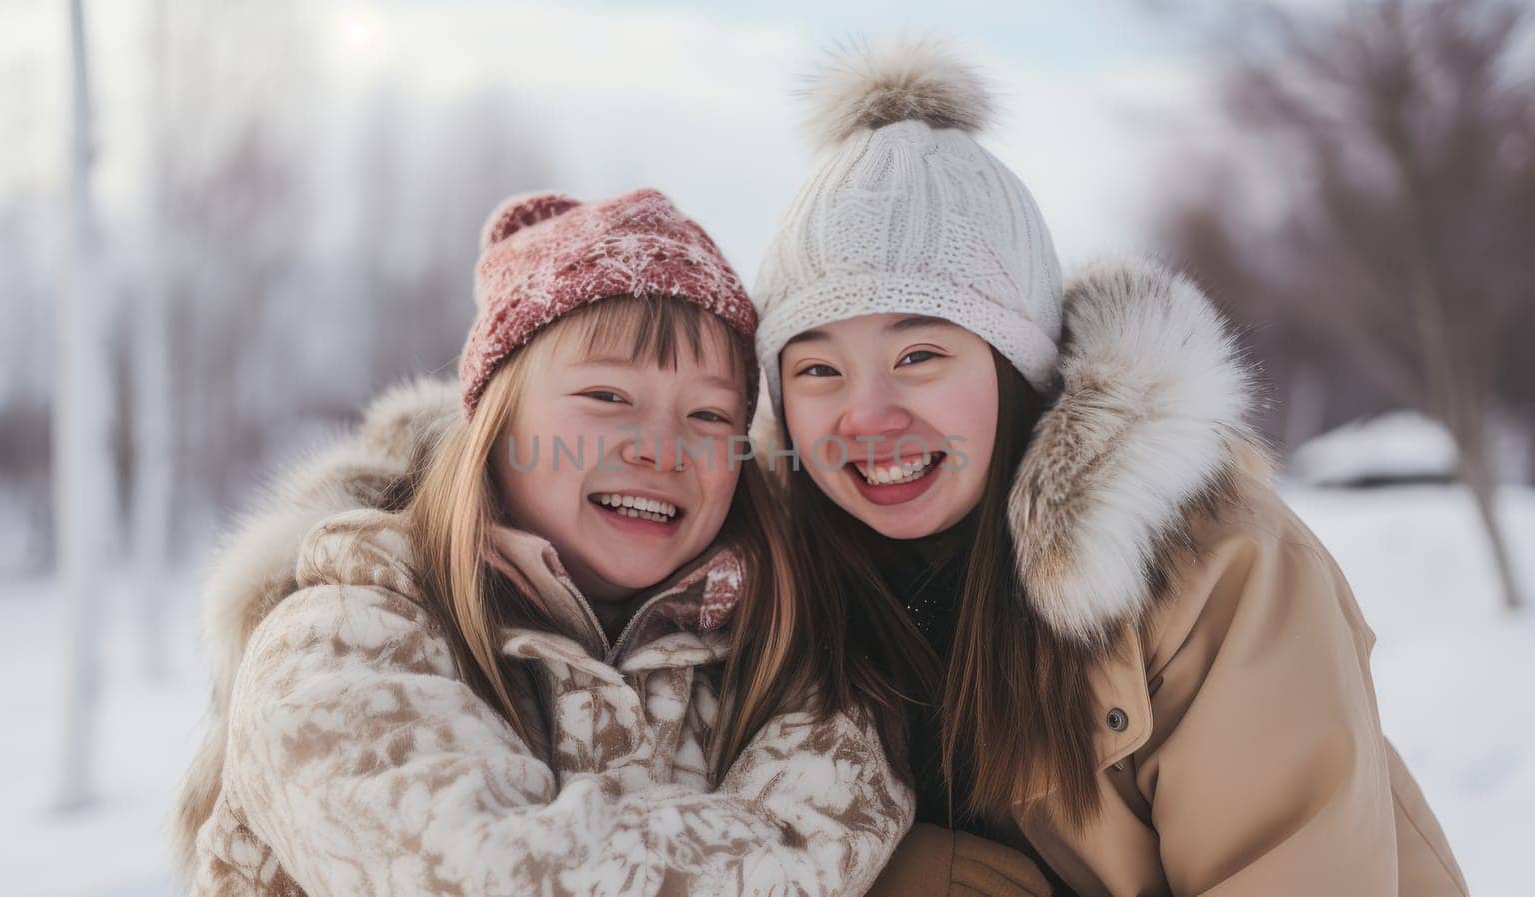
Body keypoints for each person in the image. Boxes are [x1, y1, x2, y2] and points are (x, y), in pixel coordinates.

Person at [752, 37, 1468, 897]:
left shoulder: (1211, 564)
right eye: (818, 370)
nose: (866, 416)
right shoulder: (779, 577)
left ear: (1016, 369)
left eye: (920, 355)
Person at [171, 187, 912, 896]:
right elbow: (487, 875)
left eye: (711, 416)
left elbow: (831, 831)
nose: (662, 448)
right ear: (497, 425)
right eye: (607, 397)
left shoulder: (781, 655)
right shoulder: (341, 639)